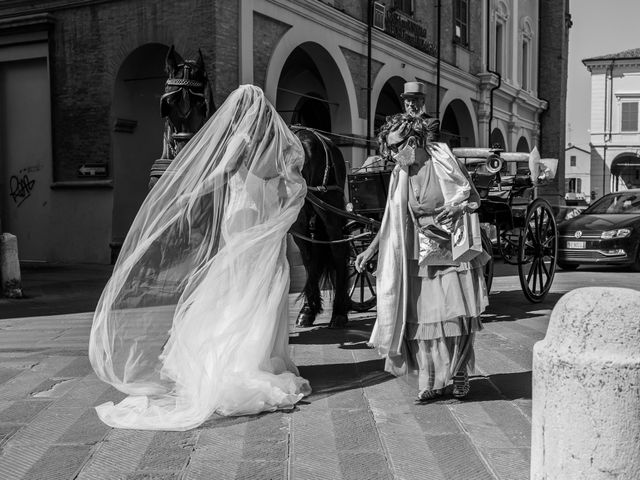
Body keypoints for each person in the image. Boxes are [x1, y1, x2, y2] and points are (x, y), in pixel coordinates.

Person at [89, 85, 311, 431]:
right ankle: (262, 360)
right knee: (261, 290)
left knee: (236, 288)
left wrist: (189, 193)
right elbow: (288, 187)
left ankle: (231, 362)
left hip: (242, 218)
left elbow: (220, 174)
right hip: (265, 221)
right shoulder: (275, 144)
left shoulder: (240, 141)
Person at [354, 112, 489, 402]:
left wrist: (458, 208)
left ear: (413, 141)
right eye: (388, 148)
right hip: (420, 252)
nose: (390, 154)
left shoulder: (444, 163)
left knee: (456, 316)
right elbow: (392, 218)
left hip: (454, 247)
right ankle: (432, 379)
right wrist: (371, 248)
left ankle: (460, 372)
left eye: (394, 147)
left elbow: (475, 200)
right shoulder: (398, 173)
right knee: (424, 320)